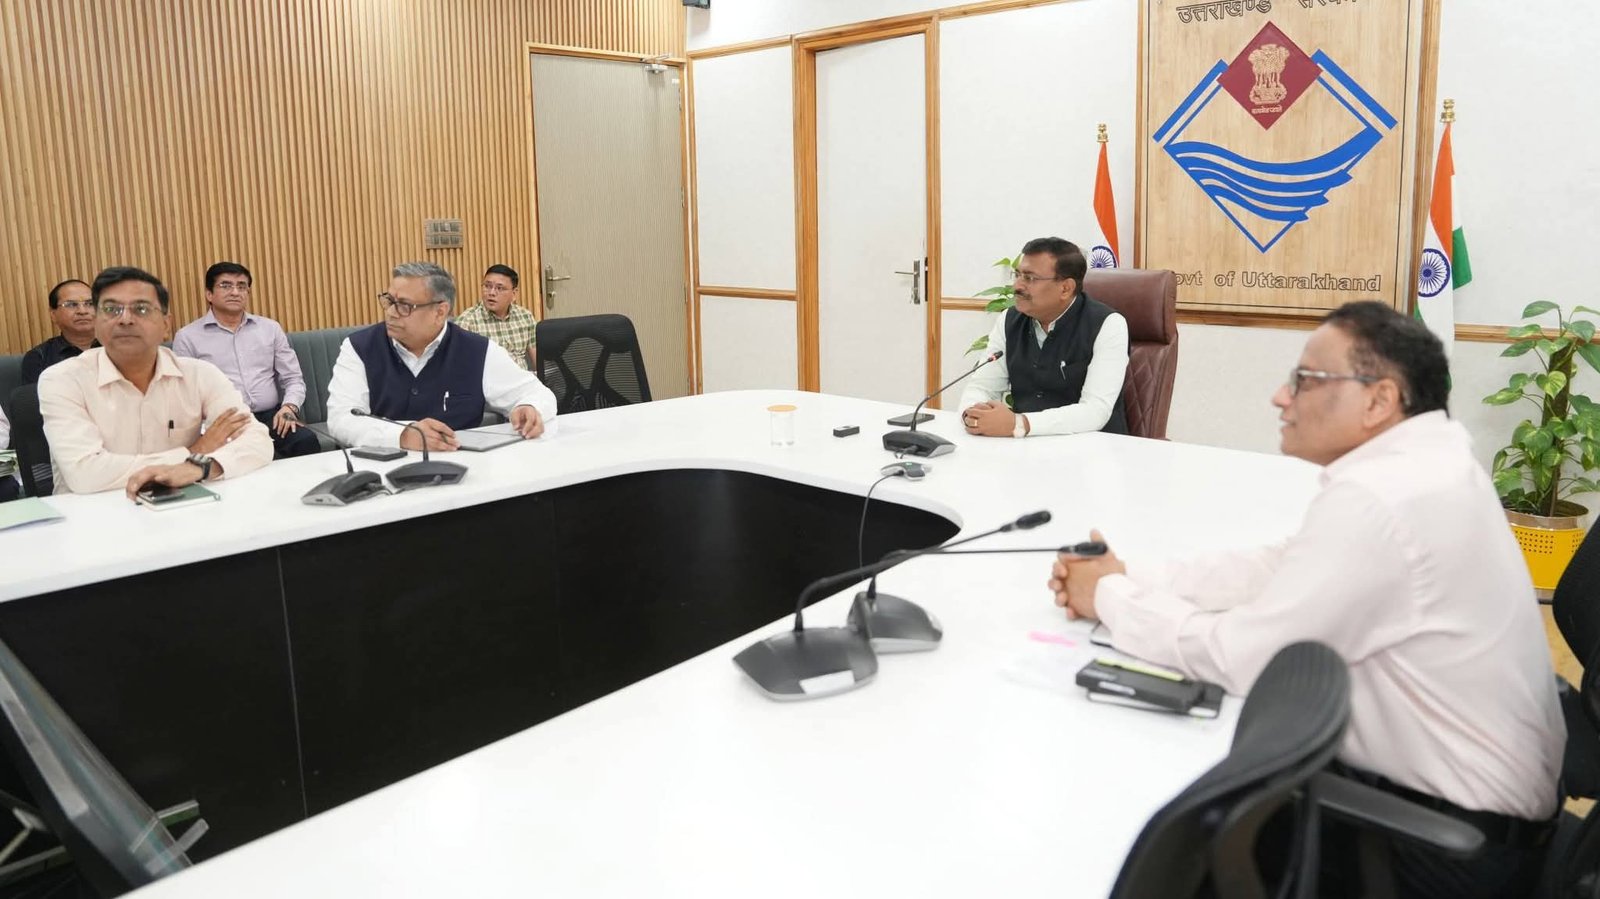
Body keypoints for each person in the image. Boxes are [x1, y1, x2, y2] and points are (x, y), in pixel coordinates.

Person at [1048, 301, 1563, 898]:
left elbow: (1241, 658)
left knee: (1145, 838)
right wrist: (1131, 574)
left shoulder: (1383, 498)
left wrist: (1108, 595)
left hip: (1443, 847)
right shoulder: (1428, 462)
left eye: (1305, 380)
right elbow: (1281, 567)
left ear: (1379, 400)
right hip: (1468, 805)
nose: (1279, 397)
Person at [37, 266, 273, 498]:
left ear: (166, 325)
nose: (125, 319)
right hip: (93, 512)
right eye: (111, 309)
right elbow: (85, 473)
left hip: (184, 504)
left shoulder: (200, 375)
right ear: (96, 324)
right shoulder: (62, 380)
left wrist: (199, 467)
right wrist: (194, 452)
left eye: (141, 309)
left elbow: (258, 441)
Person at [326, 261, 557, 450]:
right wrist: (402, 435)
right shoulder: (359, 347)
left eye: (404, 305)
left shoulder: (476, 350)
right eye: (389, 300)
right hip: (381, 475)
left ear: (440, 312)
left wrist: (529, 407)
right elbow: (341, 419)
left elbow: (538, 393)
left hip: (464, 472)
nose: (391, 312)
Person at [958, 237, 1128, 438]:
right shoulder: (1009, 320)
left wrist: (1021, 424)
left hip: (1091, 448)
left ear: (1065, 288)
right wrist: (973, 413)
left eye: (1030, 278)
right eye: (1018, 275)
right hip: (1024, 446)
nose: (1017, 286)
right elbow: (983, 386)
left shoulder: (1108, 325)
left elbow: (1096, 410)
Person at [173, 261, 320, 459]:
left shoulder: (270, 328)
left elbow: (293, 378)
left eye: (241, 286)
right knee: (241, 457)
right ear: (209, 294)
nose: (235, 292)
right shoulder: (188, 337)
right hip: (225, 421)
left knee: (305, 441)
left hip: (272, 416)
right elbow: (185, 394)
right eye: (226, 285)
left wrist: (289, 407)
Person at [454, 264, 538, 371]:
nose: (492, 293)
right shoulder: (467, 322)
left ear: (514, 294)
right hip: (488, 380)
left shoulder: (525, 316)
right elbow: (459, 367)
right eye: (487, 286)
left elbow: (538, 361)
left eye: (499, 288)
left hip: (523, 379)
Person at [21, 279, 100, 384]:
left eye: (90, 303)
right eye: (71, 304)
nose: (82, 311)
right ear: (53, 314)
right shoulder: (39, 358)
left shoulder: (117, 348)